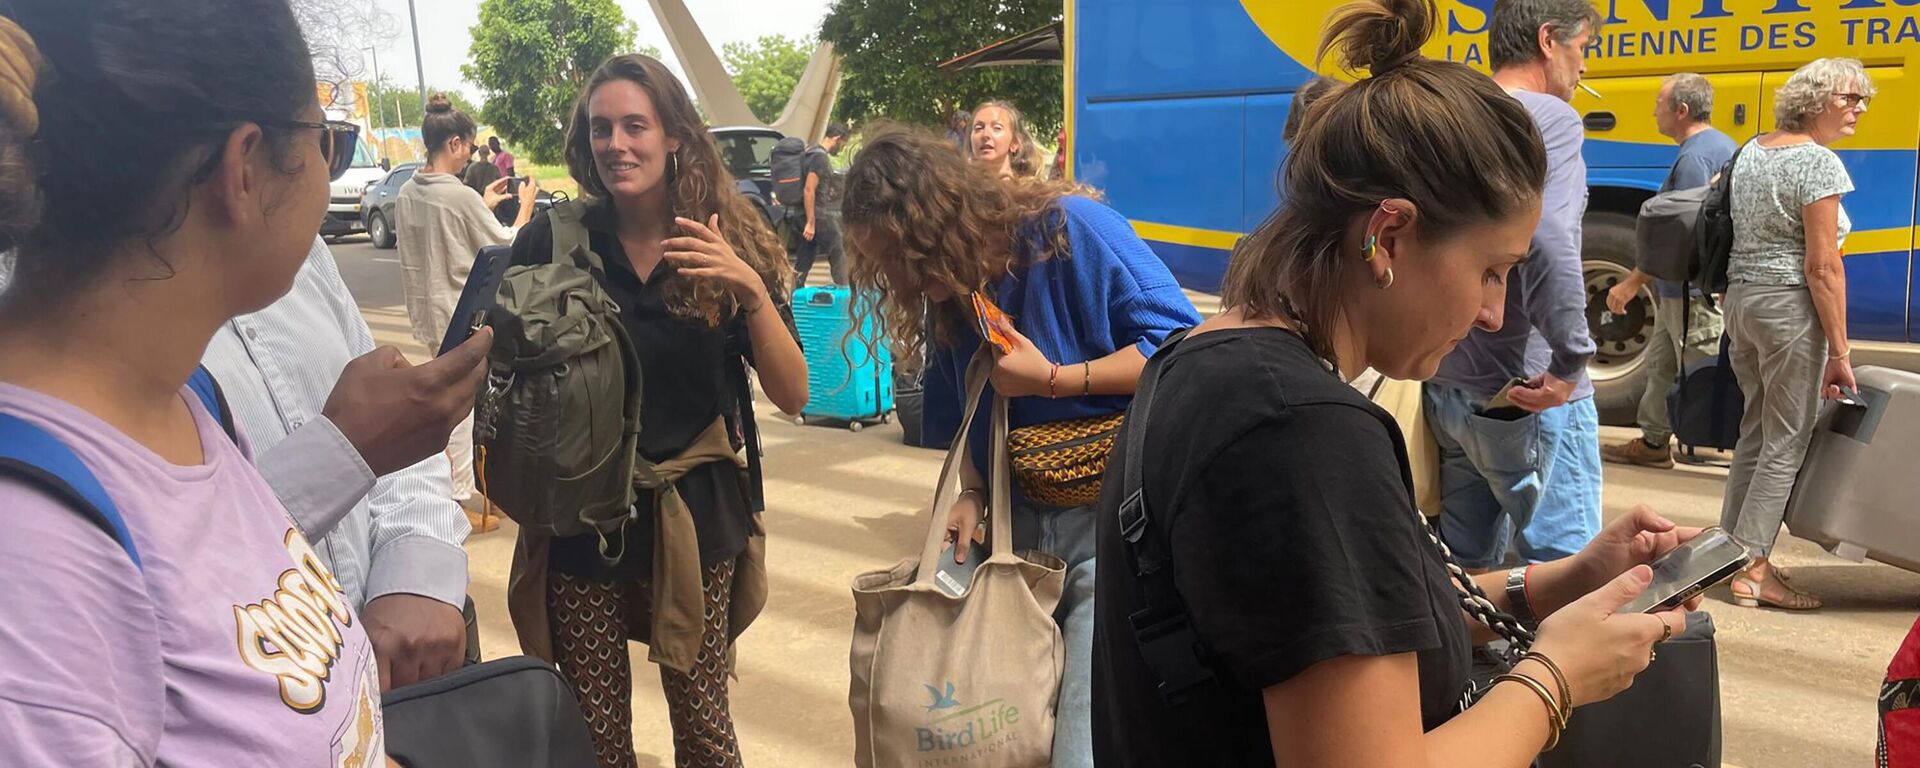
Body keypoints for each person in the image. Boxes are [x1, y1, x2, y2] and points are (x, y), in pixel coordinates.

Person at [1091, 2, 1698, 765]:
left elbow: (1339, 622)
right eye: (1490, 270)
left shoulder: (1202, 362)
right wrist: (1557, 678)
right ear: (1386, 236)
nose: (1491, 313)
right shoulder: (1303, 429)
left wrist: (1564, 581)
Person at [0, 2, 428, 763]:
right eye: (325, 142)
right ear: (247, 168)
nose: (329, 171)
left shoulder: (184, 404)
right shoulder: (31, 562)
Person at [842, 126, 1202, 768]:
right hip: (1014, 539)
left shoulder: (1071, 230)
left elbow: (1182, 349)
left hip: (1108, 534)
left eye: (903, 254)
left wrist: (1059, 380)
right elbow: (975, 410)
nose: (901, 277)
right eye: (886, 264)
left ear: (936, 219)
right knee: (1002, 738)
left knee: (1077, 751)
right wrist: (973, 491)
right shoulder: (952, 288)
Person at [502, 54, 807, 768]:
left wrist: (749, 291)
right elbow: (495, 364)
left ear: (674, 135)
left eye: (635, 125)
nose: (616, 144)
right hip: (583, 522)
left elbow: (795, 396)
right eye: (601, 128)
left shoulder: (725, 235)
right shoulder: (553, 241)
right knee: (595, 736)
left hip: (694, 521)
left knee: (703, 729)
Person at [202, 236, 488, 690]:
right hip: (258, 700)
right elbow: (171, 551)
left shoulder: (303, 251)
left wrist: (416, 573)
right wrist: (343, 451)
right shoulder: (84, 319)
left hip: (398, 684)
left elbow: (396, 433)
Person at [1423, 0, 1604, 572]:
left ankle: (1470, 666)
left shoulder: (1452, 116)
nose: (1583, 68)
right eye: (1583, 49)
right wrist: (1572, 360)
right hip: (1527, 392)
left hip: (1448, 386)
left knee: (1467, 569)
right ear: (1549, 41)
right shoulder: (1548, 118)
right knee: (1567, 572)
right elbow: (1548, 238)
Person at [1719, 58, 1872, 611]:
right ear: (1814, 100)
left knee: (1755, 433)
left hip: (1742, 303)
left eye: (1863, 101)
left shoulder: (1752, 151)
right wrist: (1841, 350)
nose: (1858, 109)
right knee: (1786, 442)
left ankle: (1727, 554)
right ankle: (1755, 569)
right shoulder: (1818, 163)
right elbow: (1823, 267)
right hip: (1789, 308)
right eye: (1850, 98)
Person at [394, 93, 538, 531]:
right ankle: (457, 499)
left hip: (428, 310)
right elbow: (505, 242)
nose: (471, 155)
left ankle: (453, 489)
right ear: (455, 143)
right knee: (462, 404)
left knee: (448, 395)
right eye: (471, 148)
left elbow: (448, 229)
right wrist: (527, 203)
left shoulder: (408, 191)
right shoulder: (456, 196)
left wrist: (481, 202)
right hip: (460, 312)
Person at [1602, 73, 1738, 469]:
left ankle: (1712, 439)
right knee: (1662, 364)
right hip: (1675, 293)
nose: (1653, 112)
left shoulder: (1696, 157)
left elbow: (1681, 235)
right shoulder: (1713, 147)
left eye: (1659, 104)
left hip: (1689, 292)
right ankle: (1654, 442)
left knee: (1701, 366)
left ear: (1681, 110)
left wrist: (1631, 283)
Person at [790, 122, 850, 286]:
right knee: (837, 246)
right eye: (843, 145)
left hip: (800, 213)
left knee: (804, 258)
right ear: (837, 138)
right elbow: (809, 189)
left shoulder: (809, 152)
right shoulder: (820, 157)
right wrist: (811, 222)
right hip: (816, 215)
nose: (842, 149)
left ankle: (795, 298)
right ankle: (844, 292)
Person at [969, 100, 1040, 179]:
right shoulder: (960, 188)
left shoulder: (1028, 190)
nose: (985, 135)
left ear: (1014, 142)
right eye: (978, 128)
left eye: (997, 128)